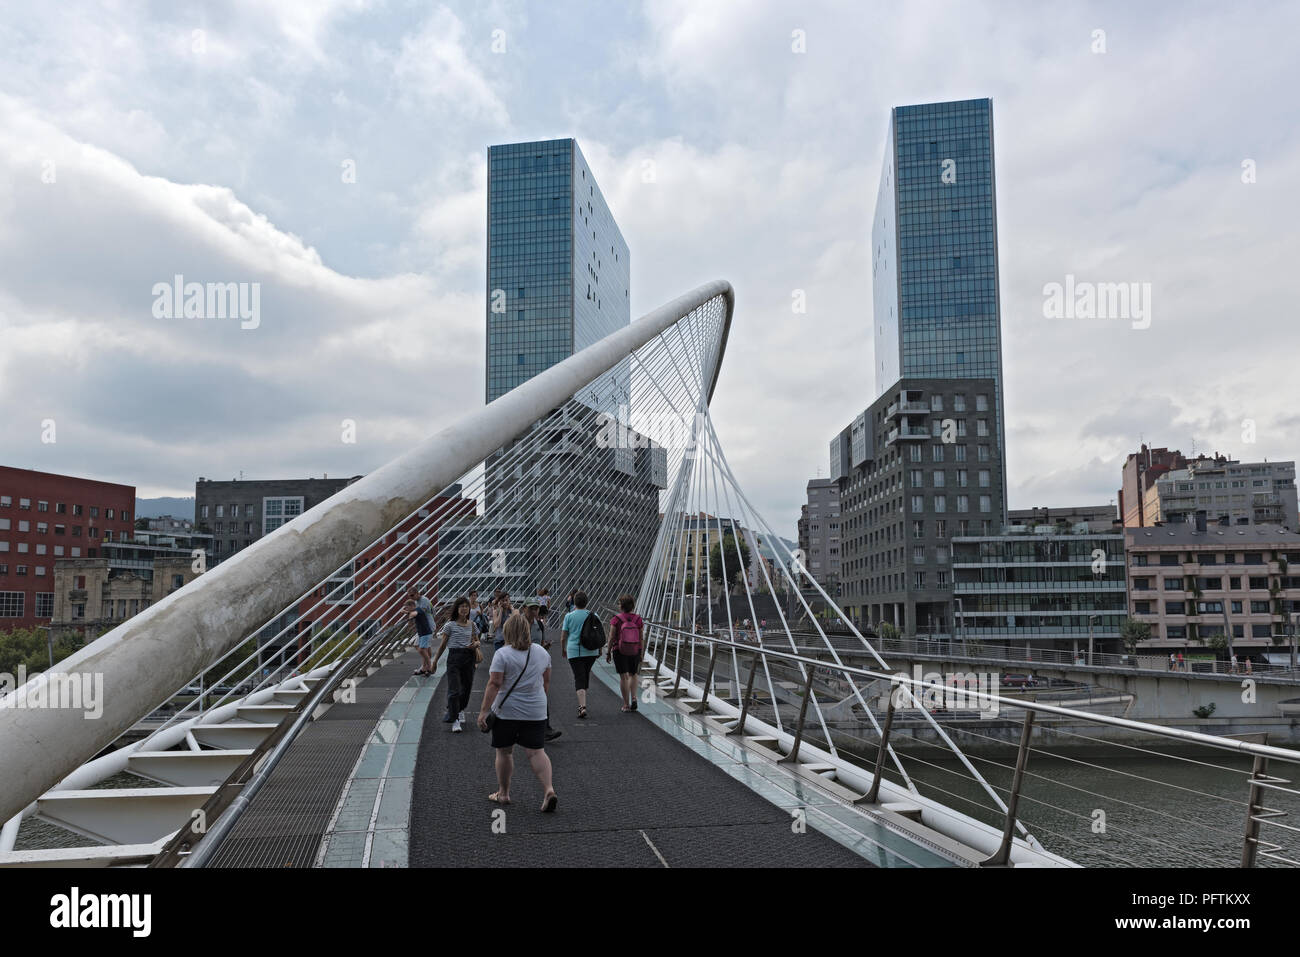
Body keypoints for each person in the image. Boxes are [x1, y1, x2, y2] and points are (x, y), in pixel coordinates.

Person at [478, 612, 558, 812]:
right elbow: (546, 681)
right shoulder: (541, 652)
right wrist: (539, 700)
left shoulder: (503, 654)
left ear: (507, 631)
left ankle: (503, 793)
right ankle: (548, 790)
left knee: (504, 751)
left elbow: (495, 683)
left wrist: (483, 712)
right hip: (536, 711)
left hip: (507, 712)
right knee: (536, 751)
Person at [431, 595, 481, 732]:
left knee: (466, 689)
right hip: (454, 658)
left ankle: (459, 709)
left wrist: (476, 644)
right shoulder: (450, 625)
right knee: (454, 690)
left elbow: (477, 641)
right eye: (462, 606)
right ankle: (455, 719)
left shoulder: (472, 625)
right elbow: (442, 646)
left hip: (469, 657)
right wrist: (434, 662)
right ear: (457, 609)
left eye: (466, 606)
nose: (464, 609)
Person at [523, 599, 562, 741]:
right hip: (521, 665)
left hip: (536, 665)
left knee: (540, 695)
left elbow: (541, 644)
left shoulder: (539, 624)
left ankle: (545, 728)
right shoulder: (518, 624)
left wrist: (545, 647)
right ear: (524, 609)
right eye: (531, 608)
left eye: (536, 609)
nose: (534, 611)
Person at [561, 590, 600, 718]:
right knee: (584, 674)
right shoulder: (595, 616)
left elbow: (563, 637)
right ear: (586, 602)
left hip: (574, 651)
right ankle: (583, 699)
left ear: (574, 602)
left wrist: (563, 649)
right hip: (591, 651)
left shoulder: (569, 616)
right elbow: (599, 635)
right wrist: (599, 649)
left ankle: (582, 707)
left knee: (579, 677)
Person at [606, 593, 645, 713]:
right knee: (633, 674)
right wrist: (641, 652)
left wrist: (608, 652)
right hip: (635, 650)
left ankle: (626, 705)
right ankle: (634, 697)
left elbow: (612, 637)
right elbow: (641, 637)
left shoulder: (616, 619)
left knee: (624, 677)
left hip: (619, 650)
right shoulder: (638, 619)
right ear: (632, 606)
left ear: (621, 606)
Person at [407, 598, 434, 676]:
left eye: (407, 607)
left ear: (412, 606)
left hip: (425, 633)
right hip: (423, 633)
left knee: (422, 650)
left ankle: (429, 667)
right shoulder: (417, 609)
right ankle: (425, 668)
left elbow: (414, 614)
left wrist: (409, 617)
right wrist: (407, 612)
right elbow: (413, 613)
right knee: (422, 649)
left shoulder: (418, 609)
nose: (407, 609)